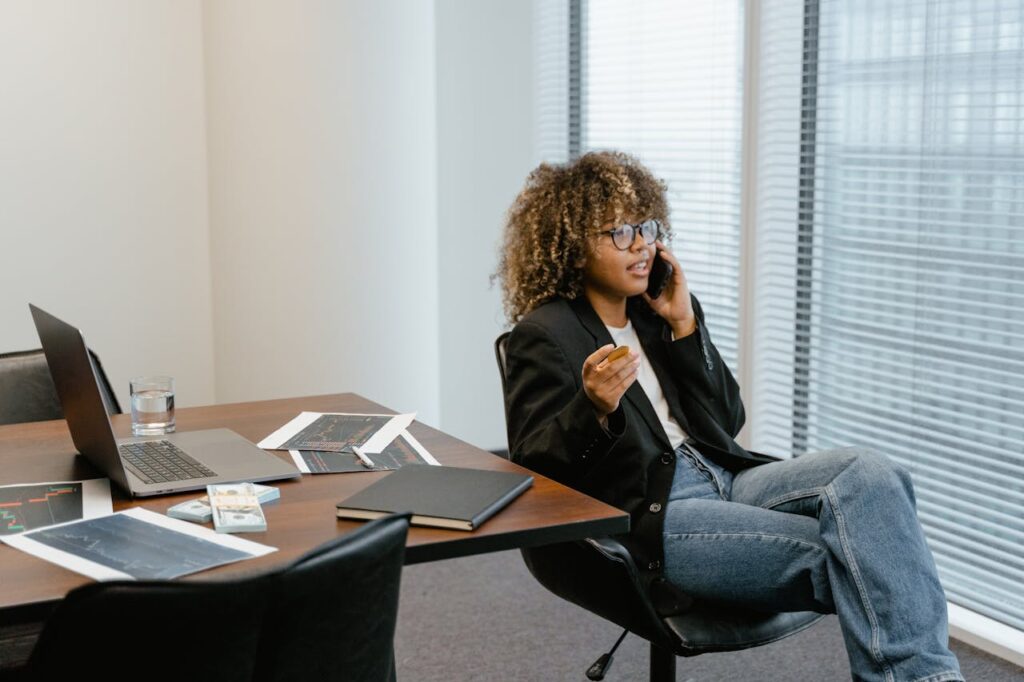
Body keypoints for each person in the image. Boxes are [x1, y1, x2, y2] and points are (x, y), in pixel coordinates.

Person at [496, 150, 963, 682]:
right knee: (861, 555)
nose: (643, 245)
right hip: (655, 512)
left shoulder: (657, 315)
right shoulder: (546, 334)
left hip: (723, 476)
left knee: (874, 474)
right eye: (619, 232)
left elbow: (727, 418)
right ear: (575, 246)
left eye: (646, 227)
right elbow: (533, 465)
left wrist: (684, 326)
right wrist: (593, 408)